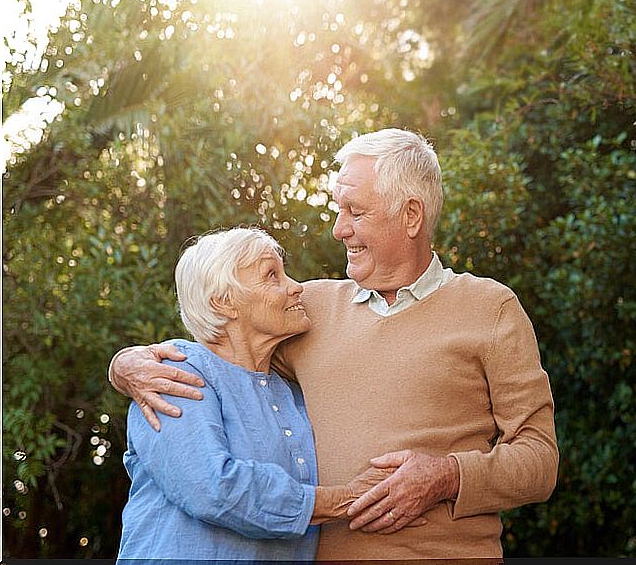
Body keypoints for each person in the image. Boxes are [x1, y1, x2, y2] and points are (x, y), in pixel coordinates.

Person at [110, 128, 559, 560]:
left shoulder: (490, 308)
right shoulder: (309, 308)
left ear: (411, 215)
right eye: (338, 210)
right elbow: (226, 340)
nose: (338, 229)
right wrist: (126, 364)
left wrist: (447, 476)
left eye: (355, 211)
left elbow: (539, 460)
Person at [116, 227, 415, 561]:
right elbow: (213, 488)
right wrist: (345, 498)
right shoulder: (177, 372)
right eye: (272, 275)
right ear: (224, 302)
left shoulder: (295, 396)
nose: (296, 287)